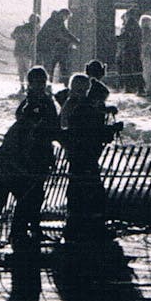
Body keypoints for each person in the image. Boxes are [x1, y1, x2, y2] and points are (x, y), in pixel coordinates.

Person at [0, 67, 61, 249]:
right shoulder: (25, 115)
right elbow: (16, 147)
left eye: (42, 82)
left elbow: (52, 130)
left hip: (32, 160)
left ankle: (23, 233)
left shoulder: (46, 103)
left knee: (31, 198)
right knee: (7, 199)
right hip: (14, 164)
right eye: (36, 82)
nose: (40, 86)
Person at [58, 72, 122, 240]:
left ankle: (83, 222)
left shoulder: (82, 105)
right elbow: (88, 129)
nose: (82, 93)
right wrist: (108, 131)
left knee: (84, 186)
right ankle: (83, 223)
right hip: (81, 153)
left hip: (82, 153)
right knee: (84, 187)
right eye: (79, 90)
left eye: (84, 90)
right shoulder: (75, 106)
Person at [36, 8, 79, 84]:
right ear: (63, 15)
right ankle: (47, 84)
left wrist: (75, 40)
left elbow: (65, 32)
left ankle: (50, 83)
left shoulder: (58, 22)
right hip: (45, 47)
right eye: (66, 17)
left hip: (51, 48)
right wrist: (70, 41)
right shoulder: (53, 21)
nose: (66, 19)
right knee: (48, 67)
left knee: (51, 67)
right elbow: (57, 34)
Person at [116, 11, 143, 94]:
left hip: (129, 50)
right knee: (137, 68)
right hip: (136, 49)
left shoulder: (129, 24)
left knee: (127, 69)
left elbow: (125, 36)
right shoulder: (136, 25)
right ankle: (139, 87)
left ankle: (128, 87)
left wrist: (116, 38)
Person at [12, 15, 39, 88]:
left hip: (18, 51)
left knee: (21, 69)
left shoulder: (19, 28)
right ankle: (28, 85)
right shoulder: (34, 30)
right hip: (27, 52)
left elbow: (13, 36)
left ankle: (22, 85)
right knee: (28, 70)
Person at [139, 14, 151, 95]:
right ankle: (148, 88)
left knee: (146, 73)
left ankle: (148, 89)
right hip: (149, 54)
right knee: (147, 73)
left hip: (146, 54)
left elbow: (146, 44)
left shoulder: (145, 32)